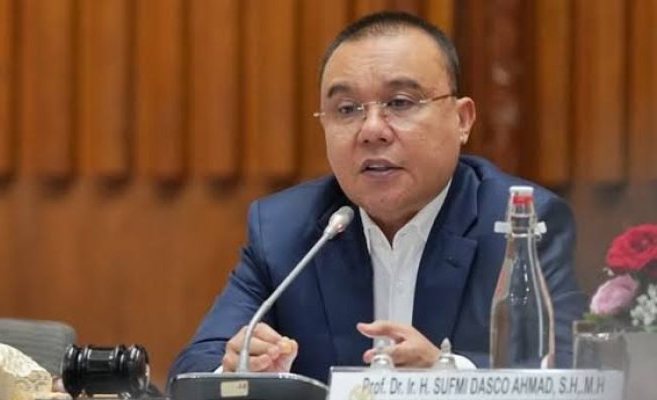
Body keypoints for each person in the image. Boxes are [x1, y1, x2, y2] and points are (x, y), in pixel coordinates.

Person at [168, 11, 586, 384]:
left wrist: (449, 377)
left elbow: (567, 370)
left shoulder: (521, 223)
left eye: (400, 103)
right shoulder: (285, 231)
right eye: (347, 109)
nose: (371, 130)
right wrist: (239, 369)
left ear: (461, 120)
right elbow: (193, 369)